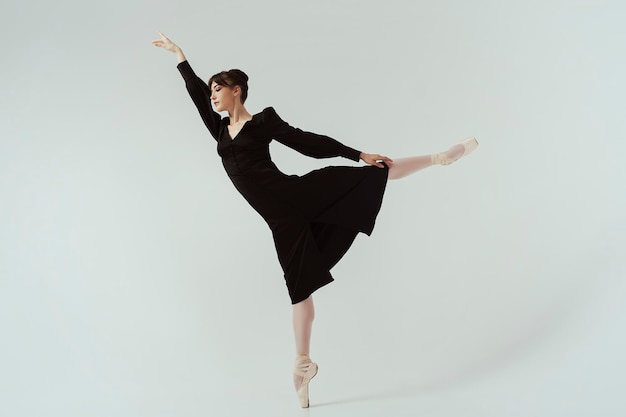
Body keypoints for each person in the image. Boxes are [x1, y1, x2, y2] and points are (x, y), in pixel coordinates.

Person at [151, 32, 478, 408]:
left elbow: (307, 142)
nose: (212, 95)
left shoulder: (263, 123)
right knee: (299, 290)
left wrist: (356, 153)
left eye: (217, 89)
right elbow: (194, 94)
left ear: (236, 90)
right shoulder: (220, 131)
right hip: (282, 222)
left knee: (375, 172)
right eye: (211, 91)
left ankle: (439, 158)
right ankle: (303, 364)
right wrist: (180, 57)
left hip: (299, 194)